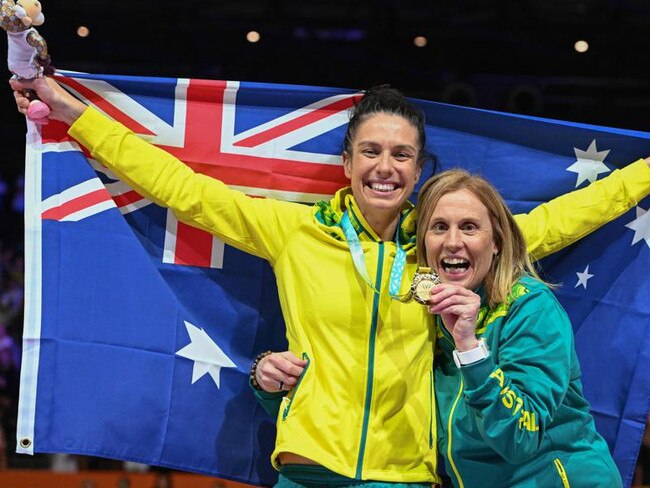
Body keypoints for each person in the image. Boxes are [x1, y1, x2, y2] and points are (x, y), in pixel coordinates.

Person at [10, 76, 650, 487]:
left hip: (407, 476)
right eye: (370, 151)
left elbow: (563, 219)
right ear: (346, 162)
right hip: (308, 471)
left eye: (401, 155)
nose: (385, 166)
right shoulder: (294, 234)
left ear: (418, 168)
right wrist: (73, 114)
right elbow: (182, 189)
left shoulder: (444, 244)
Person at [416, 169, 622, 487]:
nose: (452, 242)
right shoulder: (429, 317)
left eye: (469, 227)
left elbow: (519, 437)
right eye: (439, 227)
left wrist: (470, 348)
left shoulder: (530, 308)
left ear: (497, 242)